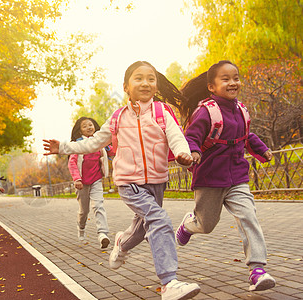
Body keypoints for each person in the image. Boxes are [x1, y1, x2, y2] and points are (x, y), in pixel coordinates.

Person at [44, 61, 201, 300]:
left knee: (139, 231)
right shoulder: (118, 117)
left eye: (151, 78)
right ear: (126, 86)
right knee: (159, 220)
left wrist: (184, 155)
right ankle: (169, 283)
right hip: (129, 183)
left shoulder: (162, 112)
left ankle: (121, 242)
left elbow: (177, 137)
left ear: (156, 84)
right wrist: (64, 146)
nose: (146, 83)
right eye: (138, 78)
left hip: (157, 182)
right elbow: (92, 143)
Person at [176, 60, 276, 292]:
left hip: (237, 176)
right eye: (226, 79)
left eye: (236, 78)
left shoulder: (241, 110)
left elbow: (247, 136)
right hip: (210, 177)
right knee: (206, 224)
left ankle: (257, 269)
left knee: (248, 216)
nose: (233, 83)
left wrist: (262, 150)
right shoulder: (206, 111)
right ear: (211, 86)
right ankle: (190, 224)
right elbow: (192, 136)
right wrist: (193, 152)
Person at [68, 117, 113, 249]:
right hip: (81, 183)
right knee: (84, 211)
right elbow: (72, 163)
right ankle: (81, 228)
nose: (88, 127)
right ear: (79, 130)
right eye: (84, 126)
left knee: (98, 206)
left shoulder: (99, 143)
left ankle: (102, 234)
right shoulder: (78, 145)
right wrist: (77, 179)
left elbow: (111, 152)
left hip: (96, 179)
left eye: (90, 124)